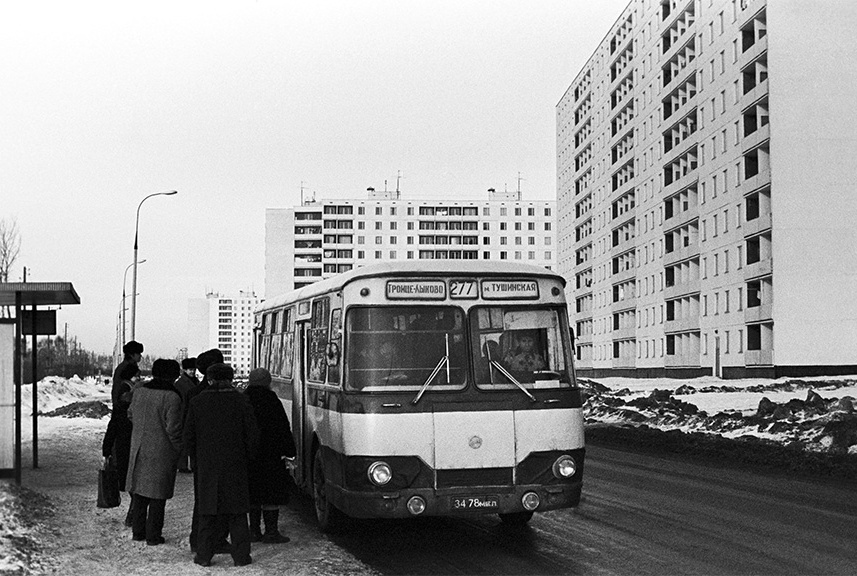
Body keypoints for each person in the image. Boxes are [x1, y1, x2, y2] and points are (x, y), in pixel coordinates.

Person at [184, 363, 259, 567]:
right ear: (231, 378)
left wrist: (195, 459)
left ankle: (204, 556)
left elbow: (188, 436)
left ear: (209, 379)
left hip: (207, 465)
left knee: (207, 511)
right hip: (235, 464)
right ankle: (241, 556)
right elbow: (252, 435)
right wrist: (247, 458)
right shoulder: (241, 400)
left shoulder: (197, 402)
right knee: (237, 513)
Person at [125, 359, 184, 545]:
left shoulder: (140, 392)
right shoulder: (172, 397)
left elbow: (130, 414)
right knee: (158, 496)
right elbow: (173, 429)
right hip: (162, 451)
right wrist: (179, 449)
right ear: (173, 376)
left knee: (140, 493)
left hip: (139, 448)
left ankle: (138, 531)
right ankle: (153, 535)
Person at [244, 368, 296, 544]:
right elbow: (283, 427)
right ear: (267, 382)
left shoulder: (243, 399)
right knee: (270, 493)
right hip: (270, 456)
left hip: (248, 456)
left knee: (252, 494)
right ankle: (271, 532)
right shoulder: (272, 400)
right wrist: (290, 451)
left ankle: (253, 531)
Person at [185, 348, 228, 553]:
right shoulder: (231, 395)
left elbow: (188, 430)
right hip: (225, 455)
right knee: (224, 500)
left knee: (202, 500)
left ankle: (198, 540)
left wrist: (192, 454)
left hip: (201, 456)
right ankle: (218, 539)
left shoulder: (193, 393)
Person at [101, 362, 139, 525]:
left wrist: (107, 448)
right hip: (130, 443)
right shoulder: (131, 392)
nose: (139, 377)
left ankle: (133, 512)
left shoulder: (125, 392)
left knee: (131, 481)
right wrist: (107, 448)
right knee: (133, 481)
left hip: (124, 444)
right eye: (137, 375)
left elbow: (113, 425)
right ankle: (133, 514)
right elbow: (116, 423)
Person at [173, 357, 198, 473]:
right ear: (185, 370)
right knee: (183, 441)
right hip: (185, 413)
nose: (192, 372)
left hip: (191, 413)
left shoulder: (194, 382)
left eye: (193, 369)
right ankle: (182, 465)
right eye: (190, 369)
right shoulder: (181, 384)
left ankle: (190, 464)